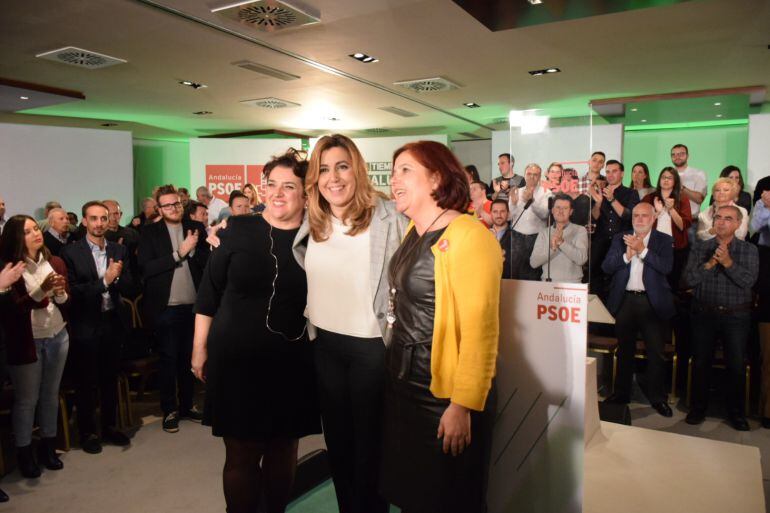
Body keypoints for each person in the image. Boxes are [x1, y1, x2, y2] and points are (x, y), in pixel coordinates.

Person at [192, 151, 321, 513]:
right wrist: (198, 348)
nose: (278, 193)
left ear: (306, 193)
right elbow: (209, 292)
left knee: (283, 451)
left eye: (289, 186)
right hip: (236, 360)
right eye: (272, 185)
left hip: (292, 361)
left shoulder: (318, 238)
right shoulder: (239, 228)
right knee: (241, 454)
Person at [381, 140, 501, 513]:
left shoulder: (470, 234)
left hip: (444, 396)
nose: (394, 179)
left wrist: (462, 404)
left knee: (448, 497)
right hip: (404, 385)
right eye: (393, 170)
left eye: (406, 170)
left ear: (435, 178)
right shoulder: (413, 231)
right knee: (414, 494)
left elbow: (481, 329)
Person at [302, 134, 406, 513]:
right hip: (325, 346)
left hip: (370, 350)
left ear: (357, 169)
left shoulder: (388, 217)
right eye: (324, 169)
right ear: (315, 177)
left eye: (342, 166)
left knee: (371, 452)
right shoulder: (312, 220)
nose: (334, 177)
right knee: (340, 448)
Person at [61, 201, 134, 454]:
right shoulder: (71, 252)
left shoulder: (117, 250)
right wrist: (104, 280)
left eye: (104, 218)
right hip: (85, 324)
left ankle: (110, 427)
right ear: (84, 222)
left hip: (112, 321)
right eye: (94, 219)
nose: (100, 223)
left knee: (109, 378)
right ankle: (88, 432)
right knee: (86, 382)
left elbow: (130, 285)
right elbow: (74, 292)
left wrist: (120, 277)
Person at [0, 215, 69, 478]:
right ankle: (24, 451)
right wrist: (40, 291)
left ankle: (48, 446)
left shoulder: (54, 261)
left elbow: (63, 301)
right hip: (26, 339)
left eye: (35, 229)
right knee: (27, 400)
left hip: (57, 334)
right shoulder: (11, 269)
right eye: (28, 232)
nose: (36, 234)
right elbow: (13, 310)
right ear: (17, 237)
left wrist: (60, 292)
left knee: (50, 395)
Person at [138, 185, 210, 433]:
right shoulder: (149, 233)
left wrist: (192, 253)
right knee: (168, 360)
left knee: (190, 359)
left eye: (177, 204)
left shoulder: (196, 228)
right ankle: (169, 408)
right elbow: (146, 269)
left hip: (194, 307)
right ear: (159, 209)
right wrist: (179, 253)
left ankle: (188, 405)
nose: (173, 208)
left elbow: (207, 264)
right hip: (165, 307)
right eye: (167, 205)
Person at [685, 205, 758, 431]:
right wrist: (710, 264)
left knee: (735, 366)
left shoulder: (749, 250)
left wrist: (728, 263)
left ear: (737, 224)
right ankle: (698, 409)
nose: (722, 222)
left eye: (728, 219)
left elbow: (748, 281)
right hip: (704, 313)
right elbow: (689, 279)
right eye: (718, 217)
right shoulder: (700, 248)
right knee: (701, 363)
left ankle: (736, 413)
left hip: (736, 316)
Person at [601, 203, 675, 416]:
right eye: (636, 215)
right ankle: (622, 393)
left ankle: (658, 398)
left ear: (653, 218)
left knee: (656, 353)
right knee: (625, 351)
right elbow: (607, 266)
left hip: (651, 302)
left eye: (644, 216)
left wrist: (642, 250)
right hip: (625, 300)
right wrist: (627, 256)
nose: (640, 219)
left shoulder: (663, 240)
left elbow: (666, 267)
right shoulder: (620, 237)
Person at [588, 160, 639, 299]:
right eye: (608, 171)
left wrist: (611, 199)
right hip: (600, 241)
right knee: (595, 278)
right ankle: (596, 315)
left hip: (621, 243)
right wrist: (598, 202)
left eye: (614, 171)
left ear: (622, 174)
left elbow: (629, 216)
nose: (610, 175)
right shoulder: (600, 192)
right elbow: (594, 217)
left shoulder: (631, 193)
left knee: (617, 279)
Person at [641, 167, 692, 290]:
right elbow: (640, 222)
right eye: (663, 177)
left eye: (670, 178)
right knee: (652, 281)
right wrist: (657, 213)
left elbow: (683, 225)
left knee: (672, 283)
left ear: (675, 181)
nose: (666, 180)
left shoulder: (682, 198)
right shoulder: (649, 198)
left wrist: (671, 209)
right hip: (652, 246)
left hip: (675, 247)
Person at [507, 163, 551, 280]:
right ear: (525, 175)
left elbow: (544, 214)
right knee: (515, 271)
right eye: (529, 174)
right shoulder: (517, 191)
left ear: (540, 176)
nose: (532, 177)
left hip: (536, 237)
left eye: (535, 175)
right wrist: (513, 203)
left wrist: (531, 201)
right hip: (517, 236)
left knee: (534, 272)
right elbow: (510, 216)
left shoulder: (546, 193)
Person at [530, 194, 588, 283]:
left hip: (573, 285)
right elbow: (533, 263)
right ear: (552, 210)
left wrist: (561, 243)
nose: (561, 211)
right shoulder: (544, 233)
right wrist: (553, 249)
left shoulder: (580, 230)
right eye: (558, 207)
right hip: (548, 284)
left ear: (571, 211)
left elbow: (581, 259)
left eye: (565, 208)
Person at [751, 188, 770, 428]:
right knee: (768, 358)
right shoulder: (761, 204)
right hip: (767, 268)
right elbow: (755, 228)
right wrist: (767, 208)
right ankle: (767, 410)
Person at [671, 144, 707, 221]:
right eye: (673, 155)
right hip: (670, 220)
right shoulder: (667, 174)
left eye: (681, 154)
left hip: (690, 221)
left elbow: (699, 199)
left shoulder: (698, 174)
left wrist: (681, 187)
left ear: (687, 156)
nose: (677, 157)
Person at [489, 200, 513, 278]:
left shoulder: (516, 237)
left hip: (508, 282)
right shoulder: (482, 235)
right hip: (488, 280)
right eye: (495, 212)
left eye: (502, 211)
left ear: (508, 214)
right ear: (490, 214)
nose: (498, 215)